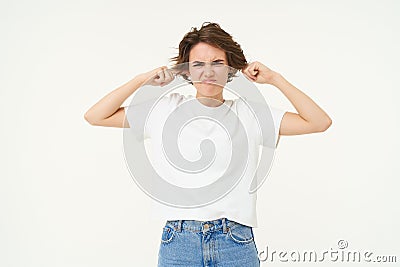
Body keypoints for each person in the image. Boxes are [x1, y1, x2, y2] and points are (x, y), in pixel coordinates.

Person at [84, 22, 332, 267]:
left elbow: (319, 122)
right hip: (179, 242)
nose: (208, 72)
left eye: (217, 63)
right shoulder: (164, 109)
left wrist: (276, 79)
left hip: (234, 241)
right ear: (187, 71)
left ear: (230, 69)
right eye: (198, 64)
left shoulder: (249, 115)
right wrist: (141, 80)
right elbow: (96, 116)